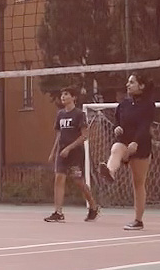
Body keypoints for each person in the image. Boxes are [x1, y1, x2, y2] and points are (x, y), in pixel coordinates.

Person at [99, 74, 155, 231]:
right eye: (128, 82)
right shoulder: (124, 104)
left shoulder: (148, 105)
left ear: (141, 86)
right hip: (124, 142)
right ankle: (109, 171)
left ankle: (138, 221)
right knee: (116, 148)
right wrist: (117, 127)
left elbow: (145, 126)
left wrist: (136, 142)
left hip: (141, 146)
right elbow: (118, 118)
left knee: (138, 183)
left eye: (132, 82)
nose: (128, 85)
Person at [44, 88, 98, 224]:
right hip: (62, 153)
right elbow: (59, 135)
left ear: (73, 97)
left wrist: (69, 148)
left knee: (78, 182)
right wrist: (53, 151)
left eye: (66, 94)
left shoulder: (79, 114)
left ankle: (93, 206)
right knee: (58, 179)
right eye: (62, 94)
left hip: (75, 153)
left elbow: (84, 136)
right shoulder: (60, 114)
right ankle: (58, 212)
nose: (63, 96)